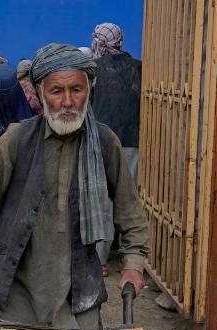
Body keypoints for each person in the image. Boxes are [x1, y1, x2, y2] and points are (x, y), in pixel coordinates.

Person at [0, 44, 149, 329]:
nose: (68, 101)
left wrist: (133, 263)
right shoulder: (16, 139)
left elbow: (131, 215)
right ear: (40, 93)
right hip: (17, 294)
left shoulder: (106, 143)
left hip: (79, 293)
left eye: (77, 89)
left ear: (89, 91)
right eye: (57, 91)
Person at [90, 22, 143, 273]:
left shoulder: (94, 69)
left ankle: (100, 260)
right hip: (133, 140)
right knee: (128, 197)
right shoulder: (138, 68)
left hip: (101, 141)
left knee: (102, 200)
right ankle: (130, 258)